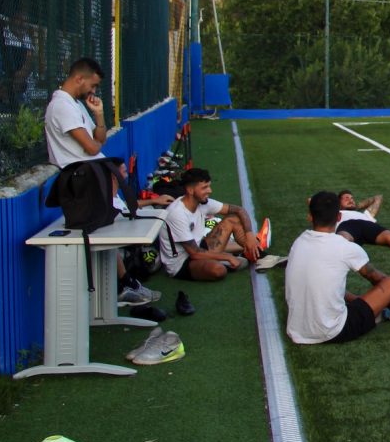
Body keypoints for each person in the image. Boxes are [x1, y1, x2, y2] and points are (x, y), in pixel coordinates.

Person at [45, 57, 161, 306]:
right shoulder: (61, 106)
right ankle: (121, 285)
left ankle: (124, 283)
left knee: (110, 229)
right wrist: (96, 145)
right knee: (104, 231)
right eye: (93, 86)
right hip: (82, 181)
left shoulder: (76, 105)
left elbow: (99, 139)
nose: (93, 92)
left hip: (92, 175)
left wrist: (98, 116)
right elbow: (90, 147)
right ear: (79, 79)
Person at [286, 190, 390, 344]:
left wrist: (357, 299)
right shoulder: (344, 247)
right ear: (339, 217)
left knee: (324, 282)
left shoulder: (298, 242)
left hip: (296, 329)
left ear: (310, 216)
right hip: (332, 331)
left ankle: (369, 305)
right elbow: (379, 280)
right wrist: (389, 299)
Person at [158, 167, 261, 281]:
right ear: (190, 190)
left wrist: (250, 235)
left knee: (233, 219)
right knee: (218, 270)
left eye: (209, 186)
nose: (210, 191)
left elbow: (239, 210)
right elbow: (195, 254)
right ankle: (227, 260)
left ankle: (257, 253)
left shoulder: (202, 202)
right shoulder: (177, 214)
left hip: (199, 247)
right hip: (181, 263)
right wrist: (227, 257)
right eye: (204, 187)